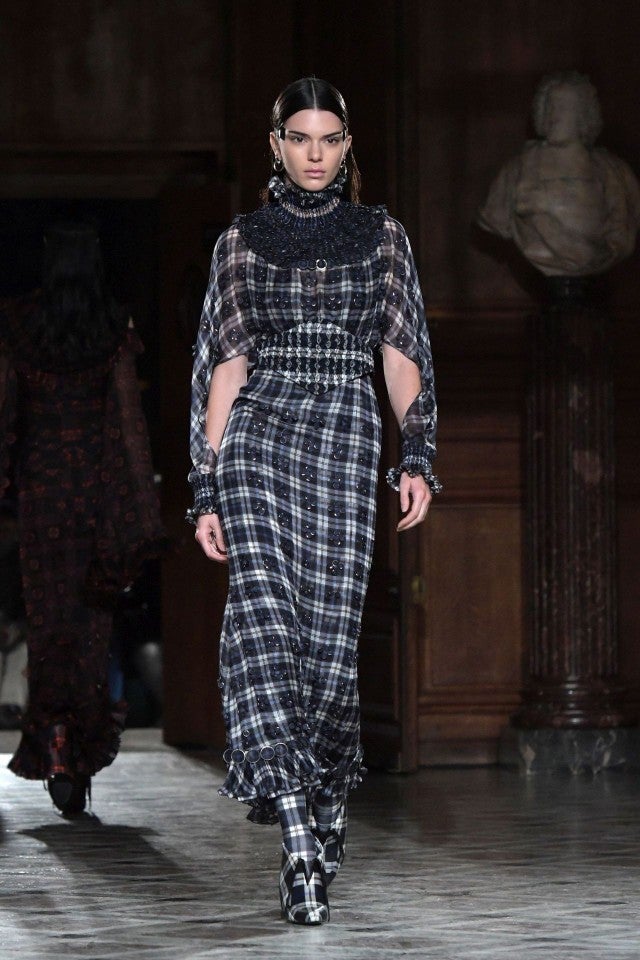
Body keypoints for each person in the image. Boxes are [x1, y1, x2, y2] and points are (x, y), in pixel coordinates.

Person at [188, 77, 441, 925]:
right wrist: (206, 485)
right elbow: (224, 367)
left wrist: (418, 454)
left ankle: (327, 800)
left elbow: (400, 354)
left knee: (329, 650)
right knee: (263, 628)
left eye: (329, 139)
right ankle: (299, 843)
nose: (315, 154)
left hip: (345, 435)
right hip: (260, 438)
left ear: (347, 145)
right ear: (276, 144)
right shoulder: (240, 243)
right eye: (299, 138)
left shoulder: (382, 238)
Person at [0, 222, 165, 815]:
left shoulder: (19, 323)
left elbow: (5, 411)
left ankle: (58, 748)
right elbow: (128, 419)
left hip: (42, 494)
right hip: (95, 496)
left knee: (49, 631)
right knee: (91, 632)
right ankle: (77, 755)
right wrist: (141, 508)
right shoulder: (111, 326)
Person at [477, 71, 640, 276]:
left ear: (583, 114)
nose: (554, 115)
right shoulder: (516, 169)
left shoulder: (614, 172)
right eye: (549, 105)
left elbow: (621, 232)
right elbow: (494, 218)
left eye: (563, 107)